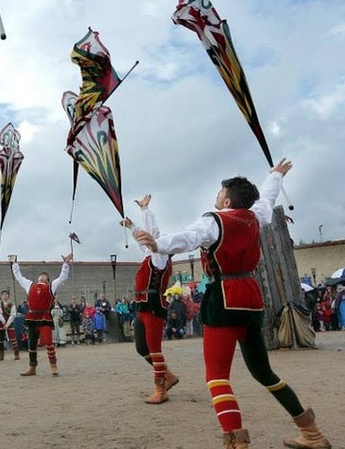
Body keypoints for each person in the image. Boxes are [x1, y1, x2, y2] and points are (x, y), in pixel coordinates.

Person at [132, 158, 330, 449]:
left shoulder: (214, 220)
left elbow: (188, 238)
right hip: (251, 295)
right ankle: (311, 432)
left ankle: (237, 443)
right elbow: (267, 198)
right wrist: (275, 175)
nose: (216, 194)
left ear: (226, 198)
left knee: (217, 378)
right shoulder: (255, 216)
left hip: (223, 297)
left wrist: (158, 244)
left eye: (219, 191)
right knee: (264, 372)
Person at [123, 195, 179, 404]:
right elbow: (142, 238)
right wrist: (131, 226)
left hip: (154, 306)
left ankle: (160, 389)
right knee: (141, 348)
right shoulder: (150, 255)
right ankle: (169, 376)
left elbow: (151, 234)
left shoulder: (160, 257)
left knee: (154, 349)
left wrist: (146, 212)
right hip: (143, 306)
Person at [12, 253, 72, 377]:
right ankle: (32, 367)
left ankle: (53, 366)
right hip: (32, 318)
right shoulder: (30, 285)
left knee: (49, 343)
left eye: (45, 276)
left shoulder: (51, 286)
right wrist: (15, 264)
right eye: (41, 275)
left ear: (47, 280)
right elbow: (19, 277)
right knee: (31, 344)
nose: (42, 276)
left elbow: (62, 278)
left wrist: (65, 264)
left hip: (44, 318)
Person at [0, 290, 19, 360]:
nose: (5, 296)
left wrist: (7, 324)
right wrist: (3, 321)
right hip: (1, 324)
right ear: (1, 296)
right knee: (1, 340)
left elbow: (13, 315)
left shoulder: (12, 305)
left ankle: (16, 354)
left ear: (8, 295)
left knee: (13, 338)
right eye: (3, 295)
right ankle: (1, 355)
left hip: (10, 324)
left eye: (6, 294)